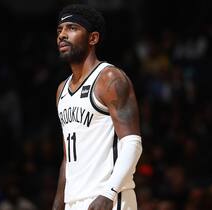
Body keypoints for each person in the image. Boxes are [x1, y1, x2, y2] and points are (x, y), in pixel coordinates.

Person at [52, 4, 143, 210]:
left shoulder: (109, 79)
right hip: (74, 200)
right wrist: (59, 203)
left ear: (93, 38)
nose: (62, 35)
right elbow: (68, 158)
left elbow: (132, 144)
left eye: (72, 28)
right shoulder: (61, 90)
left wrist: (108, 193)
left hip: (108, 196)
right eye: (60, 30)